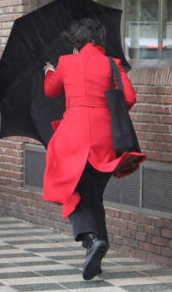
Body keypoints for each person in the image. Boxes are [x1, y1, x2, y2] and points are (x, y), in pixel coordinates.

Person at [42, 18, 145, 280]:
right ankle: (95, 250)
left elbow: (51, 90)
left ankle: (91, 237)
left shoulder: (66, 62)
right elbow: (130, 97)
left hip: (73, 135)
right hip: (106, 138)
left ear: (76, 41)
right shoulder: (113, 64)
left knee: (71, 188)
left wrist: (49, 71)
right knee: (92, 193)